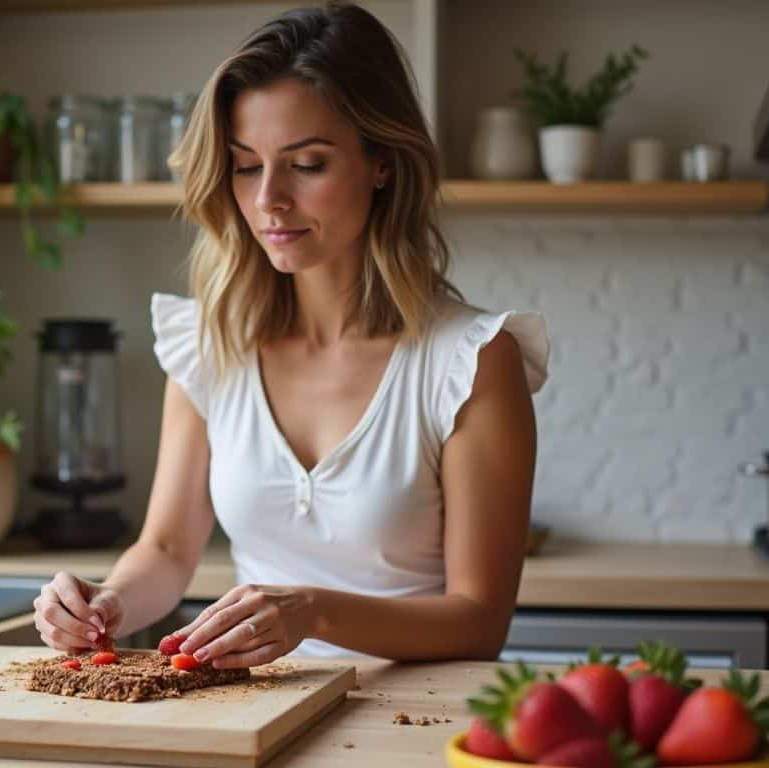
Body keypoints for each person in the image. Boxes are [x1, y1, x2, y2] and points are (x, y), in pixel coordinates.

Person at [33, 1, 548, 668]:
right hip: (255, 718)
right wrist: (107, 603)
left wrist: (315, 611)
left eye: (306, 164)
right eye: (246, 165)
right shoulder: (209, 343)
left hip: (414, 724)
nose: (269, 199)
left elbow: (479, 622)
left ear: (382, 163)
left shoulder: (471, 361)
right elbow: (165, 551)